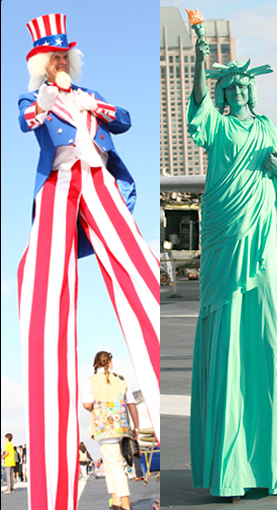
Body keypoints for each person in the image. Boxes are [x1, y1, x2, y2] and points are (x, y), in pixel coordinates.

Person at [16, 14, 160, 510]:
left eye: (63, 55)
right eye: (51, 57)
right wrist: (47, 99)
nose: (59, 61)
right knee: (42, 288)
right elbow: (26, 122)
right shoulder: (34, 98)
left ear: (70, 60)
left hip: (99, 181)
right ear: (40, 64)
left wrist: (87, 100)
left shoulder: (88, 93)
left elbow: (123, 119)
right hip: (57, 185)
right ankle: (53, 495)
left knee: (140, 267)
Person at [187, 21, 277, 500]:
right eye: (233, 85)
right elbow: (197, 106)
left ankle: (273, 467)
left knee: (269, 344)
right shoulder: (217, 125)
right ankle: (229, 470)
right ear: (224, 91)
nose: (241, 89)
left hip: (261, 240)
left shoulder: (269, 127)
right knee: (229, 341)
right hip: (225, 240)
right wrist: (199, 55)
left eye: (245, 84)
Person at [83, 352, 140, 510]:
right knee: (112, 464)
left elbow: (87, 404)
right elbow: (131, 404)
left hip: (104, 428)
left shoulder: (91, 381)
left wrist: (98, 406)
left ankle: (124, 503)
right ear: (109, 363)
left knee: (114, 466)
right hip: (121, 426)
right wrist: (136, 426)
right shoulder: (121, 379)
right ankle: (116, 500)